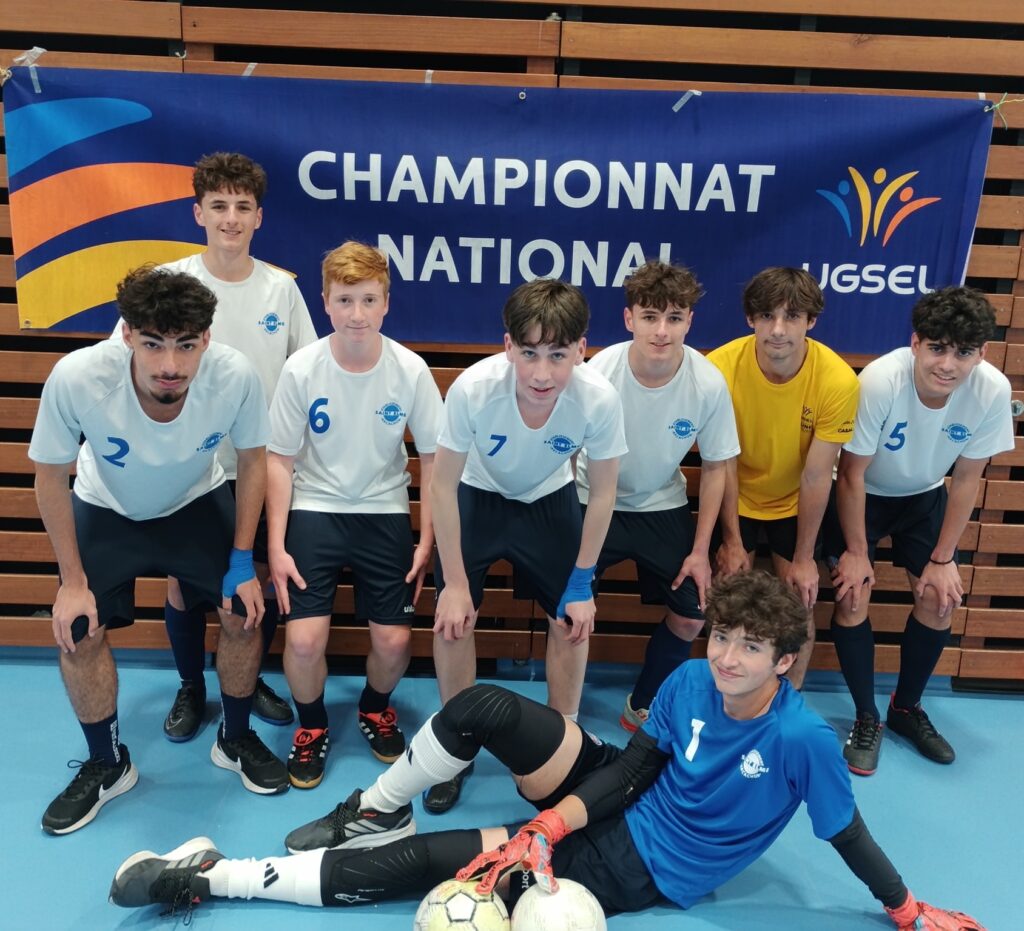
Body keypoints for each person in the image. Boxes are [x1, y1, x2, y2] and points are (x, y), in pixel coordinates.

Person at [109, 572, 984, 931]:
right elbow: (635, 769)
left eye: (751, 648)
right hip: (621, 798)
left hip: (646, 865)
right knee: (485, 705)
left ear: (784, 662)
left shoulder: (799, 738)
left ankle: (214, 874)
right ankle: (371, 804)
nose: (726, 656)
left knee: (434, 865)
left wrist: (907, 910)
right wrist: (553, 821)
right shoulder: (691, 679)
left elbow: (846, 832)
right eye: (723, 635)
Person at [31, 267, 289, 836]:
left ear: (207, 339)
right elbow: (49, 476)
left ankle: (235, 737)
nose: (169, 365)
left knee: (244, 611)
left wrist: (242, 563)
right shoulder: (78, 377)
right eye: (152, 344)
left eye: (186, 345)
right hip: (107, 507)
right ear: (126, 334)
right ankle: (107, 763)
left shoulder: (235, 376)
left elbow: (252, 462)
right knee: (78, 630)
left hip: (194, 504)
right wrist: (71, 581)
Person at [111, 152, 318, 742]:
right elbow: (122, 359)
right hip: (187, 463)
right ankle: (190, 685)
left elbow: (308, 372)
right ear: (198, 212)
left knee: (257, 578)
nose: (231, 218)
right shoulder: (168, 284)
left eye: (243, 207)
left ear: (259, 217)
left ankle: (247, 682)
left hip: (260, 462)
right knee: (184, 582)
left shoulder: (282, 289)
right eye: (219, 205)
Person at [424, 278, 626, 813]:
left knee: (572, 620)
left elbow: (604, 492)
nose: (542, 373)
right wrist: (455, 585)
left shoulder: (599, 398)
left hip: (549, 499)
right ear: (508, 346)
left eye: (558, 355)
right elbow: (441, 486)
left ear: (582, 349)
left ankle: (563, 746)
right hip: (478, 496)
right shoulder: (473, 388)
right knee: (452, 620)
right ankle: (456, 749)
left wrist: (581, 583)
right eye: (530, 353)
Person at [266, 242, 444, 789]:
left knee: (394, 642)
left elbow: (435, 458)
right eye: (345, 300)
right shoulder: (302, 368)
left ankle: (374, 707)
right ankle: (312, 725)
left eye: (369, 300)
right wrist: (276, 546)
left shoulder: (410, 369)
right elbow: (278, 459)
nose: (357, 314)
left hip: (383, 510)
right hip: (314, 508)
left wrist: (426, 539)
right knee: (302, 642)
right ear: (325, 303)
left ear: (386, 303)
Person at [826, 287, 1014, 776]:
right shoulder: (880, 381)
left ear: (982, 353)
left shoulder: (992, 390)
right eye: (937, 348)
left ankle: (905, 708)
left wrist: (943, 558)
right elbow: (850, 475)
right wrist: (856, 551)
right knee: (852, 593)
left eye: (963, 352)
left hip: (923, 497)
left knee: (939, 598)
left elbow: (967, 478)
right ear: (915, 343)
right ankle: (866, 718)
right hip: (863, 494)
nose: (947, 364)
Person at [575, 260, 738, 731]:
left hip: (661, 504)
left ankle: (643, 703)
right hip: (593, 499)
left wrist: (702, 551)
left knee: (692, 615)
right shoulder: (598, 373)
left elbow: (716, 467)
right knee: (569, 611)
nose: (662, 331)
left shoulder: (708, 382)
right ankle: (564, 714)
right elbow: (569, 453)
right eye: (650, 317)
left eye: (674, 318)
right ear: (629, 319)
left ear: (690, 321)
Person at [708, 267, 859, 687]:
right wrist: (732, 541)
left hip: (794, 502)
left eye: (792, 316)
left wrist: (805, 558)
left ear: (811, 321)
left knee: (799, 601)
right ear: (750, 319)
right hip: (736, 496)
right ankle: (722, 696)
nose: (778, 330)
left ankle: (787, 701)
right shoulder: (719, 368)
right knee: (726, 595)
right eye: (766, 316)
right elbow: (722, 461)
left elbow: (817, 475)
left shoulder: (837, 380)